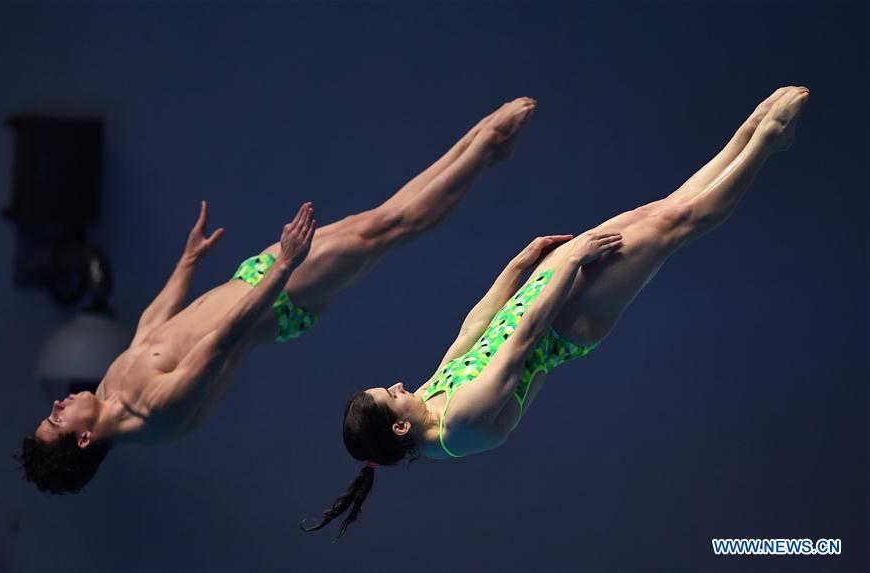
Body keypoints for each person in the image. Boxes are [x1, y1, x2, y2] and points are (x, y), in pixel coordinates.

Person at [304, 86, 810, 537]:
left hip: (542, 299)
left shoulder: (429, 401)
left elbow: (473, 333)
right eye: (390, 395)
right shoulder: (459, 427)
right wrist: (568, 264)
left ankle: (747, 135)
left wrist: (519, 266)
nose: (397, 385)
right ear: (399, 429)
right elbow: (522, 341)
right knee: (676, 225)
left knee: (659, 210)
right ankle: (766, 139)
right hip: (564, 322)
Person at [18, 97, 538, 494]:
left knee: (378, 223)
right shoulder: (155, 414)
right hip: (278, 299)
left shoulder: (110, 389)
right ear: (83, 440)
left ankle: (486, 146)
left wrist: (187, 262)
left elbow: (152, 329)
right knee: (387, 227)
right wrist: (286, 267)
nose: (60, 403)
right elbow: (224, 339)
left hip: (258, 278)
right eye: (57, 419)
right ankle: (486, 145)